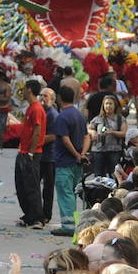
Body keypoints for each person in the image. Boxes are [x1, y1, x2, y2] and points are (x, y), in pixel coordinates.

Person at [48, 85, 89, 237]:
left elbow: (65, 139)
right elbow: (86, 136)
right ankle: (72, 224)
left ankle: (68, 225)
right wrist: (82, 154)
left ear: (59, 98)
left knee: (65, 194)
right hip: (77, 163)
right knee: (70, 192)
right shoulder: (79, 115)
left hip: (65, 161)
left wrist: (76, 154)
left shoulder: (62, 117)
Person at [14, 78, 46, 229]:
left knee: (31, 186)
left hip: (30, 153)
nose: (23, 91)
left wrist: (31, 152)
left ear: (30, 90)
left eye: (25, 88)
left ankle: (37, 218)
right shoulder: (31, 108)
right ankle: (28, 215)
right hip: (24, 151)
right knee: (22, 186)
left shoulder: (36, 108)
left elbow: (37, 131)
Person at [88, 93, 128, 177]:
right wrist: (93, 132)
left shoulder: (120, 119)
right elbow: (89, 128)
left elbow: (123, 133)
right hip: (98, 150)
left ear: (115, 105)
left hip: (114, 150)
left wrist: (112, 132)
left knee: (114, 174)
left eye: (110, 104)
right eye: (106, 104)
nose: (108, 106)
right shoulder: (97, 119)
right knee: (98, 175)